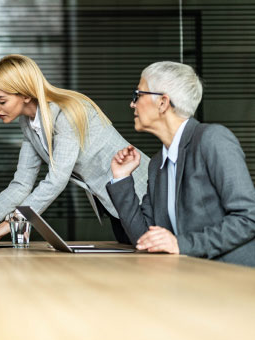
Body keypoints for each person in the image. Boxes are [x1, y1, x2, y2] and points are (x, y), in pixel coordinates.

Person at [0, 54, 150, 244]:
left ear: (26, 95)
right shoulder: (28, 123)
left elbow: (56, 179)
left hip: (144, 194)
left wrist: (12, 223)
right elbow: (21, 184)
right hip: (116, 204)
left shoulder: (66, 113)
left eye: (1, 100)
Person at [107, 61, 255, 266]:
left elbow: (248, 218)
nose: (132, 104)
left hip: (233, 277)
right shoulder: (158, 163)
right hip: (191, 276)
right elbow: (143, 237)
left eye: (138, 95)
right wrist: (121, 178)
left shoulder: (213, 139)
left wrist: (181, 244)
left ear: (162, 102)